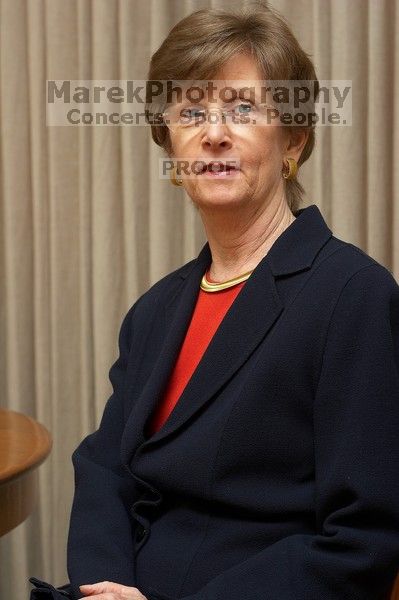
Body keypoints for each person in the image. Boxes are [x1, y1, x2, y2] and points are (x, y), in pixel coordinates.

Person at [30, 3, 399, 600]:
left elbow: (361, 541)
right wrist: (106, 587)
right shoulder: (154, 311)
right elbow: (106, 473)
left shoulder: (352, 295)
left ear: (294, 140)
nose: (214, 132)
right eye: (192, 111)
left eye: (243, 109)